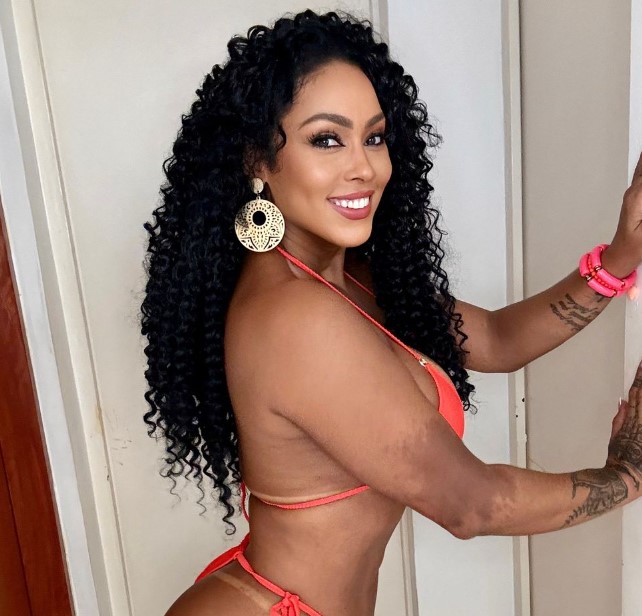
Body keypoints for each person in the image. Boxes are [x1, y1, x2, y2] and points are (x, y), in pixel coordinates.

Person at [140, 10, 642, 616]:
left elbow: (495, 339)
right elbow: (472, 504)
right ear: (257, 159)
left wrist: (619, 258)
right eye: (327, 139)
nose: (365, 167)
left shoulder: (346, 277)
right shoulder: (296, 318)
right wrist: (628, 476)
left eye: (374, 137)